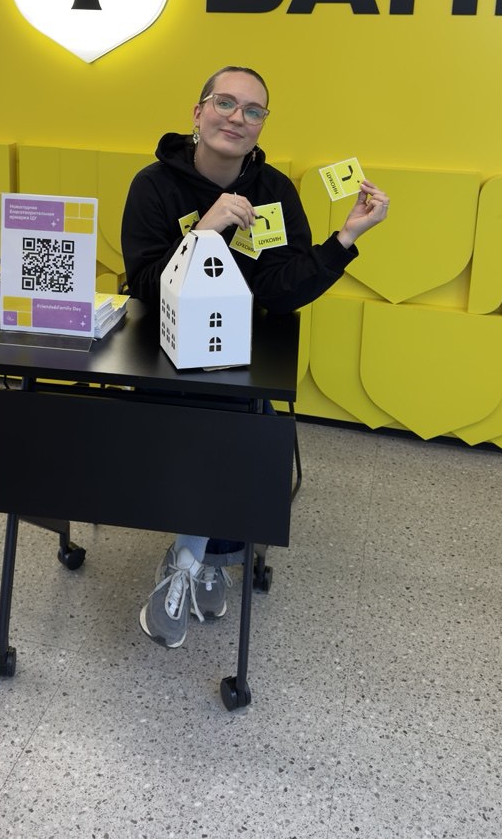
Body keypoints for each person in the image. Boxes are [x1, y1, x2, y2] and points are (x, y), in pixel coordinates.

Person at [120, 65, 390, 648]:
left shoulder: (275, 191)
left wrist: (346, 237)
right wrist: (204, 233)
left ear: (262, 124)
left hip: (240, 352)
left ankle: (189, 557)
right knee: (208, 427)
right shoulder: (153, 186)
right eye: (225, 103)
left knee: (237, 424)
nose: (237, 118)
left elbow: (281, 290)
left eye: (253, 110)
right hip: (163, 350)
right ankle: (205, 557)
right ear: (198, 113)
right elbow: (142, 285)